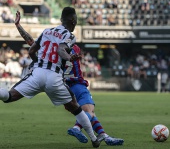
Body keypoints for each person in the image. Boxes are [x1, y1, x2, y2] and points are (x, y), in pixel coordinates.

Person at [14, 11, 124, 146]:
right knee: (88, 110)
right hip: (76, 83)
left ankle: (104, 136)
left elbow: (32, 43)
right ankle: (77, 128)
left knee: (88, 112)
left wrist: (19, 26)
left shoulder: (51, 48)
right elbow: (62, 50)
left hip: (61, 84)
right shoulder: (70, 45)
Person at [0, 8, 100, 148]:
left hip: (38, 74)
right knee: (75, 107)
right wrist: (69, 57)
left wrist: (36, 62)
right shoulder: (70, 36)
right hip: (54, 77)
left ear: (61, 19)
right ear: (73, 21)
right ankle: (94, 139)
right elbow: (61, 50)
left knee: (10, 96)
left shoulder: (46, 31)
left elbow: (31, 49)